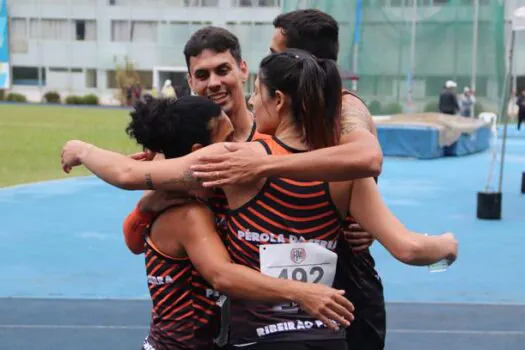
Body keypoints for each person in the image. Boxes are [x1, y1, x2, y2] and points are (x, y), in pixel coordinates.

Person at [61, 49, 458, 349]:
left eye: (257, 94)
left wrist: (81, 148)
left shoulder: (238, 160)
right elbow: (409, 249)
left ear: (279, 101)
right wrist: (448, 247)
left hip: (257, 336)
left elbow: (127, 175)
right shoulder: (347, 174)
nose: (250, 103)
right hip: (325, 337)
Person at [189, 10, 385, 349]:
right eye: (201, 75)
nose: (214, 83)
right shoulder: (189, 138)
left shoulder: (337, 113)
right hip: (235, 306)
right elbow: (144, 199)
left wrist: (365, 222)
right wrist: (154, 199)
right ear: (190, 81)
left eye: (223, 70)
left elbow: (366, 163)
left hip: (330, 302)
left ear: (243, 69)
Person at [117, 94, 356, 350]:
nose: (238, 147)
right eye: (229, 140)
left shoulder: (223, 187)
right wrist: (301, 292)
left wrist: (352, 221)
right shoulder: (185, 211)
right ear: (200, 152)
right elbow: (222, 275)